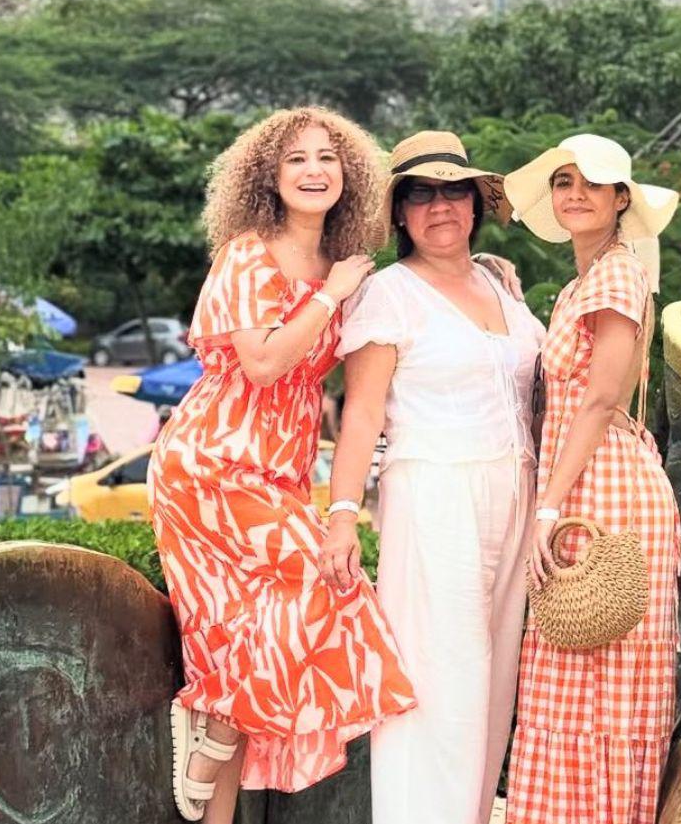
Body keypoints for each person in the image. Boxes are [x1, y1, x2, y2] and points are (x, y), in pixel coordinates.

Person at [148, 107, 415, 823]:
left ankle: (214, 737)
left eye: (327, 157)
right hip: (212, 465)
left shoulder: (347, 268)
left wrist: (488, 271)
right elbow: (263, 364)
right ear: (268, 176)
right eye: (296, 159)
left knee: (244, 647)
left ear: (348, 175)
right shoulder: (248, 255)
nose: (313, 170)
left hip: (281, 474)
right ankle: (215, 722)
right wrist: (327, 296)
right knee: (321, 583)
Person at [327, 131, 545, 824]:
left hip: (517, 491)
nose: (440, 207)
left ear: (476, 203)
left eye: (454, 191)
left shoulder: (500, 284)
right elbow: (362, 413)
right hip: (436, 493)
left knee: (494, 684)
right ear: (400, 212)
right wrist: (341, 513)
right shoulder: (388, 294)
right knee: (439, 681)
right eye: (421, 194)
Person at [502, 134, 681, 824]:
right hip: (587, 480)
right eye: (563, 181)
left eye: (592, 183)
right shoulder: (588, 280)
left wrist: (546, 510)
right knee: (576, 681)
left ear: (620, 199)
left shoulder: (614, 275)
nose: (574, 193)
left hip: (601, 488)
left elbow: (602, 398)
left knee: (599, 687)